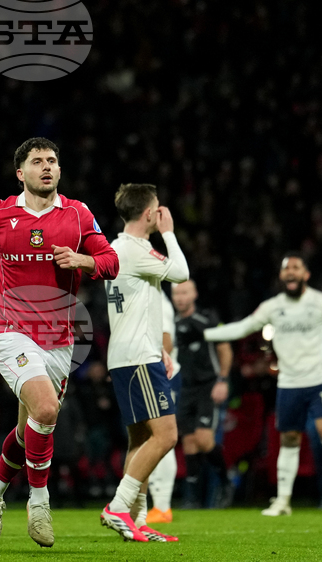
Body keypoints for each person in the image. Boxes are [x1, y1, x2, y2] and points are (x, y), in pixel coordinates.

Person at [0, 137, 119, 548]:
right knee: (47, 409)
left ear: (60, 170)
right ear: (21, 173)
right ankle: (39, 503)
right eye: (37, 161)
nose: (46, 167)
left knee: (29, 428)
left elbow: (111, 262)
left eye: (52, 161)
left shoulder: (78, 214)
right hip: (10, 331)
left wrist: (82, 260)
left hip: (58, 341)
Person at [204, 254, 322, 516]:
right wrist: (204, 334)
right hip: (289, 384)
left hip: (319, 381)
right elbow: (243, 328)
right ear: (282, 276)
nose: (291, 272)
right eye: (287, 268)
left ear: (306, 274)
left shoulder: (321, 302)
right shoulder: (273, 307)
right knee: (289, 438)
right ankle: (283, 500)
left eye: (296, 267)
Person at [100, 183, 188, 542]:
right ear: (150, 213)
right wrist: (169, 234)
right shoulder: (134, 250)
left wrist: (159, 348)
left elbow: (139, 307)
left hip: (130, 354)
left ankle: (136, 519)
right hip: (138, 358)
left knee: (139, 440)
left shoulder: (117, 249)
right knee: (166, 435)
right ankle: (118, 507)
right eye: (158, 208)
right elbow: (181, 273)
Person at [170, 279, 233, 509]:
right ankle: (192, 499)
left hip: (208, 385)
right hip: (184, 387)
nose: (180, 298)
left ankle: (226, 482)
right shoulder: (170, 322)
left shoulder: (207, 319)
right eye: (177, 293)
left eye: (185, 292)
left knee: (204, 440)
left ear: (194, 294)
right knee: (188, 442)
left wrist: (222, 380)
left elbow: (224, 349)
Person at [144, 293, 180, 524]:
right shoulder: (147, 294)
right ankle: (156, 504)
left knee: (162, 436)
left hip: (161, 375)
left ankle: (162, 505)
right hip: (150, 374)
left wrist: (154, 372)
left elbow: (166, 340)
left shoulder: (156, 299)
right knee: (150, 437)